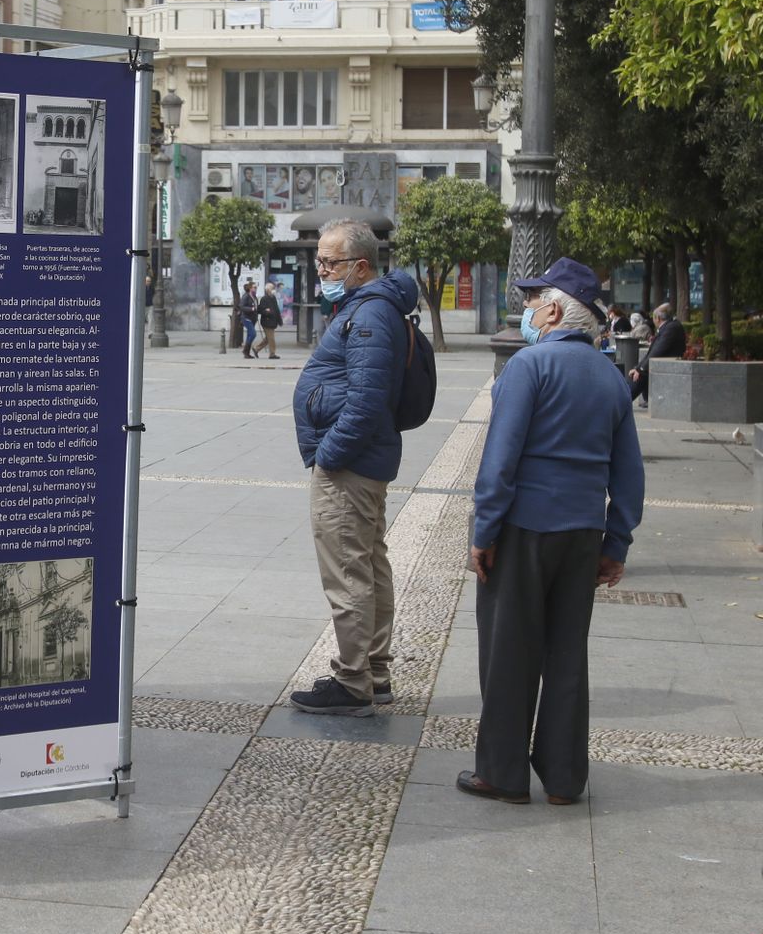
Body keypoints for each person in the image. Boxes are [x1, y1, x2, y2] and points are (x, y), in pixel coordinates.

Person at [460, 257, 644, 804]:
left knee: (509, 653)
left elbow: (501, 461)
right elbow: (628, 472)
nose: (528, 310)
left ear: (558, 308)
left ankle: (502, 772)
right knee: (568, 657)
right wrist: (616, 542)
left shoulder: (529, 366)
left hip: (524, 528)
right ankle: (565, 778)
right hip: (583, 532)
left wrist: (483, 531)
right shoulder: (611, 378)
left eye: (535, 301)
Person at [289, 220, 422, 715]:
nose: (320, 270)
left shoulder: (367, 316)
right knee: (367, 563)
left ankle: (351, 682)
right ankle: (374, 671)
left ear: (360, 266)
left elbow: (365, 402)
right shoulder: (370, 308)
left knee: (349, 572)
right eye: (320, 261)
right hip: (364, 462)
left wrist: (330, 455)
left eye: (330, 262)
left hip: (350, 466)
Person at [627, 302, 685, 408]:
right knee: (639, 372)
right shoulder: (669, 327)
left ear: (657, 318)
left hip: (667, 365)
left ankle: (623, 400)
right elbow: (652, 352)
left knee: (641, 375)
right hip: (662, 363)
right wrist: (638, 367)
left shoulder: (671, 328)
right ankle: (629, 398)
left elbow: (658, 351)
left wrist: (641, 370)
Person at [255, 282, 283, 359]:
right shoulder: (264, 299)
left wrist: (279, 320)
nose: (273, 290)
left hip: (272, 321)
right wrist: (267, 311)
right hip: (266, 322)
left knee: (268, 339)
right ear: (268, 290)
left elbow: (276, 309)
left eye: (273, 288)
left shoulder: (273, 298)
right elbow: (260, 310)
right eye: (272, 288)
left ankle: (256, 349)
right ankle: (272, 354)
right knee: (271, 339)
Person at [238, 278, 261, 358]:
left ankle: (246, 353)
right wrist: (251, 309)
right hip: (246, 318)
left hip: (253, 318)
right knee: (253, 334)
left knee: (249, 335)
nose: (255, 289)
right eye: (254, 287)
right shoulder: (246, 296)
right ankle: (245, 350)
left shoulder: (254, 297)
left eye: (256, 287)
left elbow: (256, 307)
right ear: (250, 288)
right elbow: (241, 306)